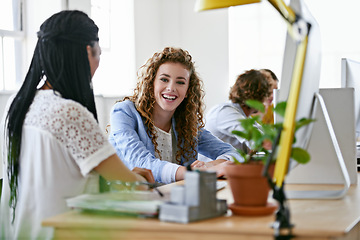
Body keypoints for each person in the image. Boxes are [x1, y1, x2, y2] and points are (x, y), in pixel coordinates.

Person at [0, 10, 154, 240]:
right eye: (98, 53)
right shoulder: (70, 112)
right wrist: (139, 180)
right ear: (87, 51)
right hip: (64, 233)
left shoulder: (18, 103)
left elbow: (59, 178)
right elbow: (131, 185)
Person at [108, 47, 242, 184]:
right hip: (129, 198)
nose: (171, 88)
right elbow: (141, 163)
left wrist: (211, 165)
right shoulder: (124, 112)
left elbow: (235, 154)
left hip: (173, 197)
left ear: (188, 90)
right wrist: (197, 172)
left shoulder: (186, 122)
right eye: (164, 79)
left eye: (180, 82)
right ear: (151, 83)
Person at [204, 69, 271, 153]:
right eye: (269, 94)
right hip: (213, 165)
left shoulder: (242, 115)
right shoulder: (225, 112)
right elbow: (260, 141)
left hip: (228, 163)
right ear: (261, 96)